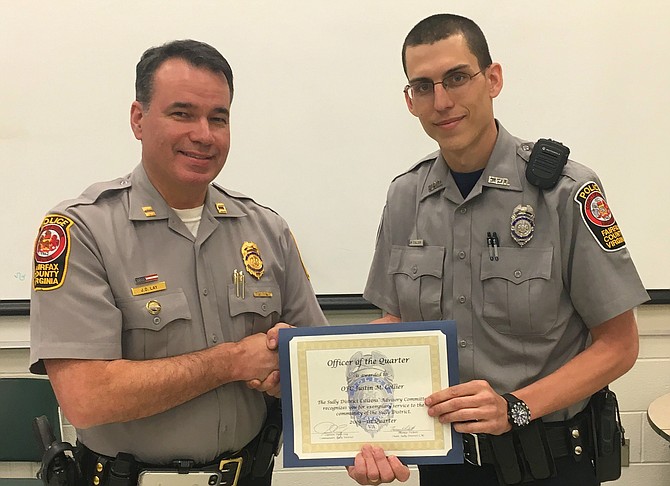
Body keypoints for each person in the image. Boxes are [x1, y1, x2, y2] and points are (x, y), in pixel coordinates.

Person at [347, 13, 649, 486]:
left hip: (550, 462)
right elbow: (397, 329)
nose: (442, 101)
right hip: (447, 463)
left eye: (457, 78)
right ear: (410, 101)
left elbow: (619, 346)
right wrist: (358, 420)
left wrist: (517, 407)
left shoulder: (565, 192)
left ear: (493, 79)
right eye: (422, 86)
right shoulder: (405, 196)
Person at [29, 39, 327, 486]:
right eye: (182, 113)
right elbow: (86, 398)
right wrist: (232, 362)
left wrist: (288, 371)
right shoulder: (82, 231)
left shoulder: (267, 229)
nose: (204, 134)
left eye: (218, 118)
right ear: (138, 119)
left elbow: (318, 361)